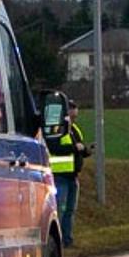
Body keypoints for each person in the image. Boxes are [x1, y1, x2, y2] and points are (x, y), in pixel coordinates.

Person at [40, 91, 89, 247]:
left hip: (73, 176)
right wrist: (75, 148)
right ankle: (59, 241)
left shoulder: (74, 130)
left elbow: (79, 148)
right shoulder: (56, 128)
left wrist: (86, 150)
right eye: (72, 116)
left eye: (75, 117)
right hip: (60, 175)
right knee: (59, 211)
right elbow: (54, 147)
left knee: (70, 211)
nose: (74, 119)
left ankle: (67, 239)